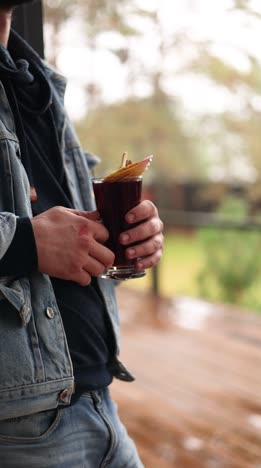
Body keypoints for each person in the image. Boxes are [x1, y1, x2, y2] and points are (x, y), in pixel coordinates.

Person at [0, 1, 164, 467]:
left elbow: (66, 223)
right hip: (19, 434)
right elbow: (34, 239)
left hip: (101, 404)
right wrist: (27, 243)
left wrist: (128, 237)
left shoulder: (37, 82)